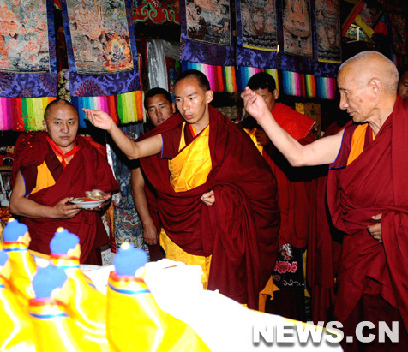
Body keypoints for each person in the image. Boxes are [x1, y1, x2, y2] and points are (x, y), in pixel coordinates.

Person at [242, 51, 408, 350]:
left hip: (401, 269)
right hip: (361, 266)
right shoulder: (355, 137)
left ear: (374, 87)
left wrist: (397, 228)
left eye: (345, 93)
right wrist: (263, 116)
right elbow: (299, 155)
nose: (341, 104)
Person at [84, 69, 280, 310]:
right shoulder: (174, 134)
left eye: (191, 97)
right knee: (187, 305)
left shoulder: (230, 136)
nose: (185, 106)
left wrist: (224, 195)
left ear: (208, 96)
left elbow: (261, 184)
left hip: (222, 232)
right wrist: (111, 127)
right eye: (178, 99)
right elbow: (134, 151)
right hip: (181, 229)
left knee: (220, 307)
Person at [242, 72, 316, 319]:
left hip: (288, 211)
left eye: (263, 97)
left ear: (275, 94)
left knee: (286, 282)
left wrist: (272, 143)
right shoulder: (249, 124)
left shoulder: (293, 121)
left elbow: (307, 162)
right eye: (254, 99)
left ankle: (290, 328)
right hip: (260, 213)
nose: (259, 104)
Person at [10, 99, 118, 265]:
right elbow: (16, 204)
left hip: (84, 241)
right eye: (57, 122)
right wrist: (54, 212)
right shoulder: (35, 153)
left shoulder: (89, 153)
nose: (65, 129)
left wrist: (99, 204)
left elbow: (102, 193)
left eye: (71, 122)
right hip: (44, 246)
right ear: (46, 125)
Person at [131, 87, 176, 260]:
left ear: (173, 107)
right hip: (158, 216)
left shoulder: (187, 134)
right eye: (152, 109)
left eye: (162, 106)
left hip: (189, 214)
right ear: (147, 114)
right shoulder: (142, 145)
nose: (158, 114)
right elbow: (137, 187)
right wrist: (147, 222)